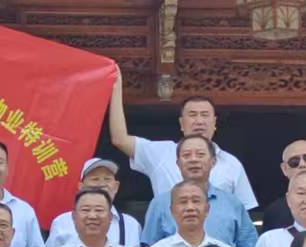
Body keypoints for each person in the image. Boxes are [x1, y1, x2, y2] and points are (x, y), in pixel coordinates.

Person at [107, 69, 257, 209]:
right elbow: (120, 139)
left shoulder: (231, 163)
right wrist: (115, 87)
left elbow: (244, 212)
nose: (199, 121)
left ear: (214, 123)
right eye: (192, 115)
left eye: (205, 115)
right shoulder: (161, 152)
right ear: (181, 123)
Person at [141, 135, 256, 247]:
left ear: (213, 162)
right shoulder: (160, 203)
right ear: (178, 164)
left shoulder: (232, 203)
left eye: (200, 154)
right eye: (186, 155)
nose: (193, 160)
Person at [45, 157, 143, 247]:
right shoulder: (62, 223)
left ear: (116, 186)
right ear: (81, 187)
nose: (102, 184)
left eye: (107, 179)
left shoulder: (131, 225)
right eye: (95, 179)